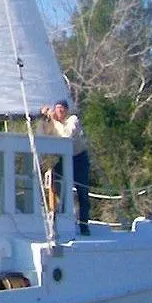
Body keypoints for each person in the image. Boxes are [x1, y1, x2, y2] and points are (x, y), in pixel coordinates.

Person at [39, 99, 91, 234]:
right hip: (64, 159)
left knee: (82, 193)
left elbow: (66, 136)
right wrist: (45, 119)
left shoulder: (73, 120)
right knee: (54, 183)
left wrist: (55, 121)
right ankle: (58, 217)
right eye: (57, 109)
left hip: (79, 158)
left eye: (62, 109)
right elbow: (42, 134)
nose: (60, 111)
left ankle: (84, 225)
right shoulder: (53, 124)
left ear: (67, 110)